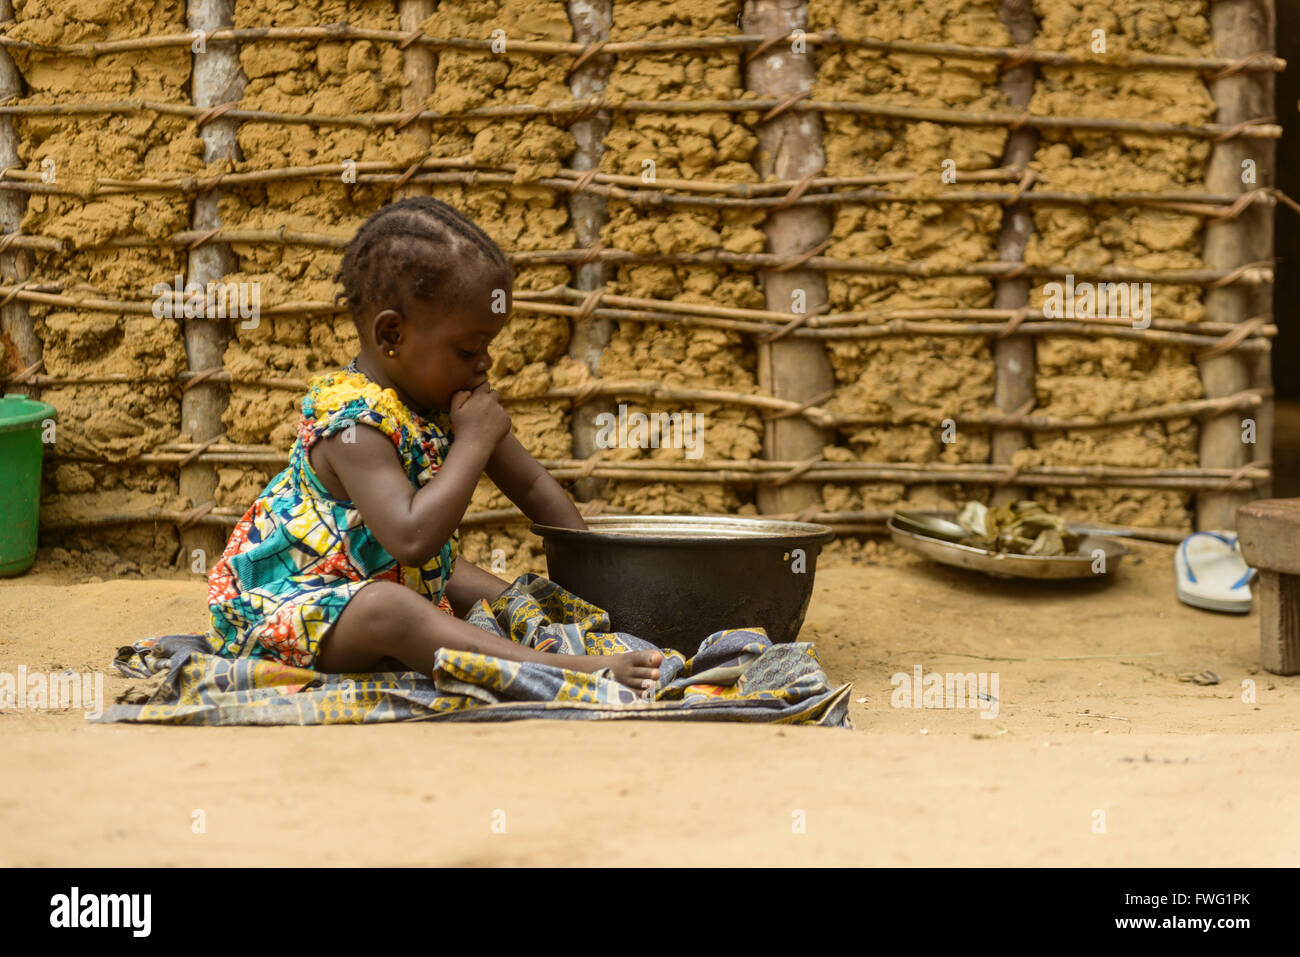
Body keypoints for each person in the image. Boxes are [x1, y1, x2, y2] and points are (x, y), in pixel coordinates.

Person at [205, 197, 663, 694]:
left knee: (502, 593)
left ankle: (557, 644)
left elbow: (532, 486)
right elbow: (410, 538)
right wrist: (473, 442)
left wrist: (597, 591)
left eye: (489, 345)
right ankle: (559, 669)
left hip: (377, 577)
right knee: (394, 605)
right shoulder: (352, 424)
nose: (484, 363)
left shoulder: (443, 399)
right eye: (468, 349)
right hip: (288, 609)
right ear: (392, 334)